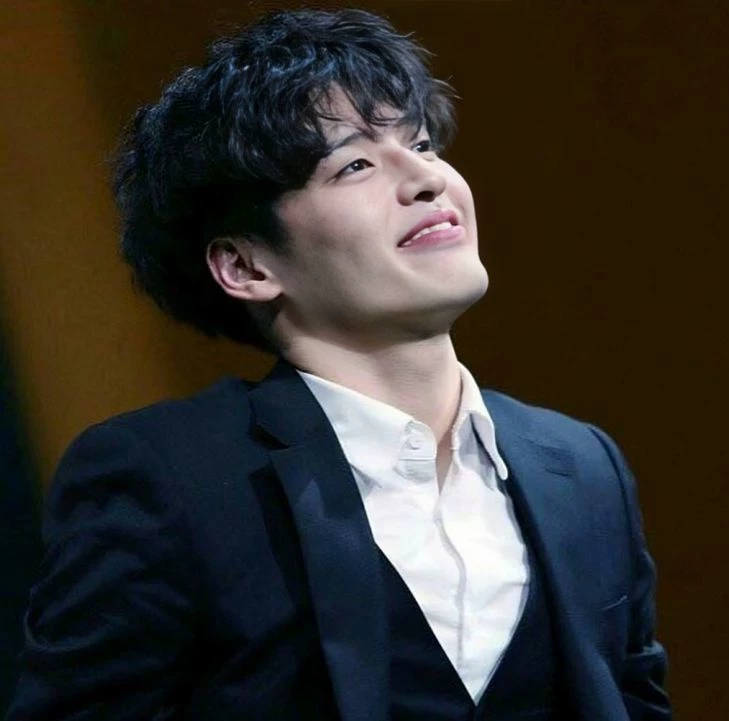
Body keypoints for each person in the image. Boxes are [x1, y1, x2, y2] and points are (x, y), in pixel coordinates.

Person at [7, 8, 672, 721]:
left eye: (420, 142)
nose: (427, 178)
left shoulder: (581, 466)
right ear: (246, 266)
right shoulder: (169, 480)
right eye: (354, 164)